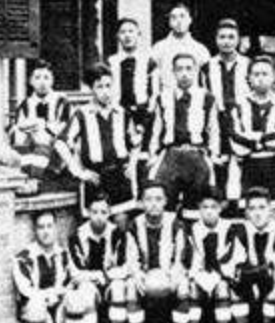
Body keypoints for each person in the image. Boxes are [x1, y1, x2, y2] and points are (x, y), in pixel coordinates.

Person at [67, 192, 149, 323]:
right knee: (86, 289)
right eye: (94, 212)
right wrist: (96, 276)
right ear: (88, 213)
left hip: (112, 283)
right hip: (90, 285)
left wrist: (109, 275)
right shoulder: (77, 237)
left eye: (103, 212)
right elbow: (75, 272)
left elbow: (131, 263)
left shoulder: (119, 234)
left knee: (119, 287)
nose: (99, 217)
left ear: (109, 213)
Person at [55, 63, 141, 222]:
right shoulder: (82, 114)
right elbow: (60, 143)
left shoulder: (121, 113)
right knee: (97, 224)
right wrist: (79, 172)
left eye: (108, 86)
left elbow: (135, 143)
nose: (105, 92)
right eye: (99, 87)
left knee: (121, 222)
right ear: (91, 89)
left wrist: (132, 165)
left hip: (119, 178)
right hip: (96, 178)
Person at [126, 181, 191, 323]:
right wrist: (137, 273)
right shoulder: (134, 225)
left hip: (168, 275)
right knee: (130, 286)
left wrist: (175, 274)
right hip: (146, 274)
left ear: (165, 201)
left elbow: (180, 256)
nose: (153, 203)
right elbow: (131, 257)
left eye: (158, 199)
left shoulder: (176, 223)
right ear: (141, 202)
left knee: (184, 286)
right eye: (148, 199)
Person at [149, 52, 219, 219]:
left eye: (189, 69)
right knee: (164, 203)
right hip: (171, 154)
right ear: (173, 72)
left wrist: (213, 155)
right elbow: (156, 130)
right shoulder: (163, 97)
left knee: (195, 207)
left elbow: (213, 129)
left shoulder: (207, 97)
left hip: (196, 154)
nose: (184, 74)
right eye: (179, 69)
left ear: (196, 71)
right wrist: (153, 155)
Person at [224, 187, 275, 323]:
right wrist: (241, 278)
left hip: (271, 284)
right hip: (249, 283)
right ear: (246, 212)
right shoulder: (240, 231)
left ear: (270, 210)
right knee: (235, 288)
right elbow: (234, 262)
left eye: (262, 207)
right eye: (252, 209)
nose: (257, 213)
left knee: (274, 289)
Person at [230, 56, 275, 214]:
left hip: (274, 164)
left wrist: (257, 139)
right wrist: (264, 139)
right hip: (248, 164)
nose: (260, 78)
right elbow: (235, 138)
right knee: (250, 211)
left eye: (265, 74)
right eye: (256, 74)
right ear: (249, 78)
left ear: (274, 77)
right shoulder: (239, 106)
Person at [12, 211, 73, 323]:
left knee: (76, 297)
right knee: (35, 304)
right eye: (41, 227)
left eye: (49, 226)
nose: (46, 232)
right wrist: (49, 295)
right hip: (37, 313)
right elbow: (26, 290)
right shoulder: (24, 257)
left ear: (56, 228)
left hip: (58, 308)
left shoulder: (63, 254)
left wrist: (60, 294)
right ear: (35, 231)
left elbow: (70, 282)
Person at [201, 18, 251, 202]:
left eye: (231, 37)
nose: (226, 41)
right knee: (219, 161)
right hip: (217, 118)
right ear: (216, 40)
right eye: (222, 37)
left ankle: (240, 203)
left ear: (238, 39)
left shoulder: (248, 64)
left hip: (241, 119)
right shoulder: (207, 67)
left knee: (241, 160)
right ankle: (220, 202)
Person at [187, 187, 238, 323]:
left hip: (222, 273)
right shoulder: (194, 229)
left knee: (222, 288)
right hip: (201, 272)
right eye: (205, 207)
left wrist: (220, 275)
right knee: (193, 288)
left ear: (220, 208)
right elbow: (194, 257)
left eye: (213, 207)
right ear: (199, 209)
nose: (209, 211)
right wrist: (197, 275)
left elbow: (230, 256)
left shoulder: (229, 228)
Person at [108, 18, 158, 191]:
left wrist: (145, 119)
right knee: (121, 156)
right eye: (123, 32)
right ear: (117, 36)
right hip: (118, 114)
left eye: (131, 31)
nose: (127, 36)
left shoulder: (149, 62)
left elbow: (154, 93)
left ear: (139, 35)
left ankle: (144, 196)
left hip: (143, 115)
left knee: (143, 158)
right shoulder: (111, 62)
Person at [9, 59, 72, 178]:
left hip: (55, 148)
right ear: (30, 81)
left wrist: (44, 129)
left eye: (46, 78)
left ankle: (39, 174)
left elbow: (64, 127)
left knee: (43, 137)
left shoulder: (61, 102)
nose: (42, 83)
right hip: (31, 147)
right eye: (37, 78)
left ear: (52, 80)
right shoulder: (26, 104)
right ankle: (29, 173)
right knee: (20, 135)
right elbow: (18, 127)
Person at [151, 4, 210, 92]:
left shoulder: (200, 50)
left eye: (182, 16)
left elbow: (207, 80)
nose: (179, 21)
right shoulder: (159, 48)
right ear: (169, 23)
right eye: (174, 18)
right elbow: (154, 77)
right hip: (167, 95)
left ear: (190, 20)